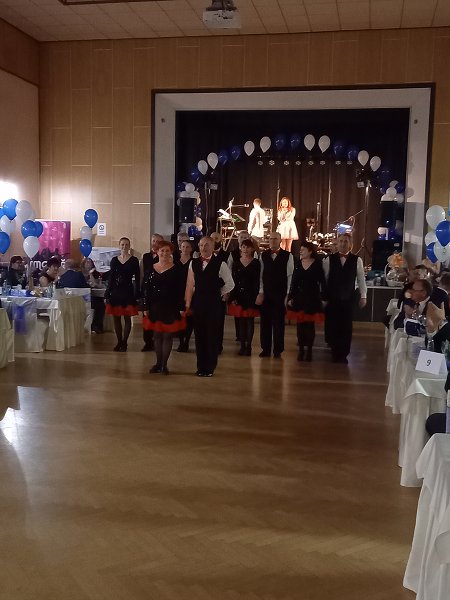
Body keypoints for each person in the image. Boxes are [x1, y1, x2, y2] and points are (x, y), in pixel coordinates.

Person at [185, 236, 234, 377]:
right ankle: (201, 366)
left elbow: (230, 284)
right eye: (201, 245)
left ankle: (210, 367)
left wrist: (218, 293)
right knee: (199, 336)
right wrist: (188, 303)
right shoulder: (193, 263)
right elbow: (190, 284)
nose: (203, 248)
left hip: (213, 305)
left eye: (206, 245)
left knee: (211, 335)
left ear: (213, 247)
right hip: (198, 304)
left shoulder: (220, 264)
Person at [322, 233, 367, 364]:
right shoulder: (329, 260)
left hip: (348, 298)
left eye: (345, 241)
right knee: (333, 325)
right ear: (337, 243)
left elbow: (361, 279)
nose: (342, 244)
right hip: (332, 298)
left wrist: (363, 296)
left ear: (350, 244)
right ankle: (334, 351)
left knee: (346, 326)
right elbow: (324, 280)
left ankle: (344, 353)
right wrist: (323, 297)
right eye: (340, 241)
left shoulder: (357, 260)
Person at [143, 241, 185, 375]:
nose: (164, 253)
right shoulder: (150, 268)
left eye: (167, 250)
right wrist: (145, 306)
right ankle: (158, 363)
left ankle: (164, 365)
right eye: (162, 250)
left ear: (171, 252)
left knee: (167, 336)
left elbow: (181, 290)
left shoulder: (177, 269)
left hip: (171, 306)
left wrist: (181, 306)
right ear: (157, 252)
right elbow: (146, 289)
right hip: (155, 306)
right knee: (157, 336)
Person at [287, 241, 325, 361]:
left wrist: (324, 297)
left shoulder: (317, 264)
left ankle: (309, 350)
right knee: (300, 326)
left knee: (310, 325)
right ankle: (301, 350)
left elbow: (322, 282)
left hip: (312, 298)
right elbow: (294, 283)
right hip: (300, 298)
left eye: (303, 250)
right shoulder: (298, 264)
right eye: (301, 250)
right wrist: (290, 297)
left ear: (310, 251)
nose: (301, 252)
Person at [259, 231, 294, 358]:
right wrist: (261, 292)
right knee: (265, 323)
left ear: (280, 241)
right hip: (267, 293)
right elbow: (260, 275)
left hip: (280, 294)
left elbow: (290, 276)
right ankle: (265, 349)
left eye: (275, 239)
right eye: (271, 238)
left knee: (279, 323)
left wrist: (288, 294)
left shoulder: (288, 256)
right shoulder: (263, 255)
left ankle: (278, 350)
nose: (273, 241)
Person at [105, 237, 140, 352]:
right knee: (116, 318)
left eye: (126, 244)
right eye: (122, 244)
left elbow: (137, 278)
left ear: (129, 246)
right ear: (119, 246)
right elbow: (111, 277)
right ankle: (119, 341)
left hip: (128, 291)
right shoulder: (114, 260)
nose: (124, 246)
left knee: (127, 318)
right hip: (116, 292)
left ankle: (125, 342)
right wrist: (108, 292)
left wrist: (137, 292)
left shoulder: (134, 260)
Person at [228, 238, 261, 356]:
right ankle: (242, 346)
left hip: (251, 295)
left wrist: (258, 294)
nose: (245, 249)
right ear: (240, 248)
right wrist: (233, 297)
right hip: (239, 294)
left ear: (252, 249)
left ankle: (249, 346)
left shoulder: (256, 263)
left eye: (248, 247)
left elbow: (258, 280)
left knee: (250, 321)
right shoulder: (236, 263)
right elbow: (233, 280)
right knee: (241, 321)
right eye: (243, 247)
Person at [140, 233, 163, 351]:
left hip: (159, 290)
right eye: (154, 241)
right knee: (146, 316)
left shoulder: (164, 256)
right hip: (147, 290)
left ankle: (157, 341)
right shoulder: (145, 256)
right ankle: (148, 342)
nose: (155, 244)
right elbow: (142, 273)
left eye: (158, 242)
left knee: (158, 317)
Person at [175, 240, 194, 352]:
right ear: (180, 248)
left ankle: (186, 342)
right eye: (183, 247)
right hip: (177, 293)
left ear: (191, 249)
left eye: (187, 247)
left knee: (189, 319)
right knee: (179, 318)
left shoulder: (194, 262)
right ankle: (181, 341)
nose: (185, 249)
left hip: (190, 293)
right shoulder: (175, 262)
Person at [81, 257, 106, 334]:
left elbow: (97, 285)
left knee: (101, 304)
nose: (89, 263)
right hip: (83, 297)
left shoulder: (96, 273)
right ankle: (94, 325)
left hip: (94, 294)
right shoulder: (80, 274)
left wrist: (91, 274)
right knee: (98, 304)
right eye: (87, 262)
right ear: (83, 264)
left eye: (90, 261)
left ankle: (97, 326)